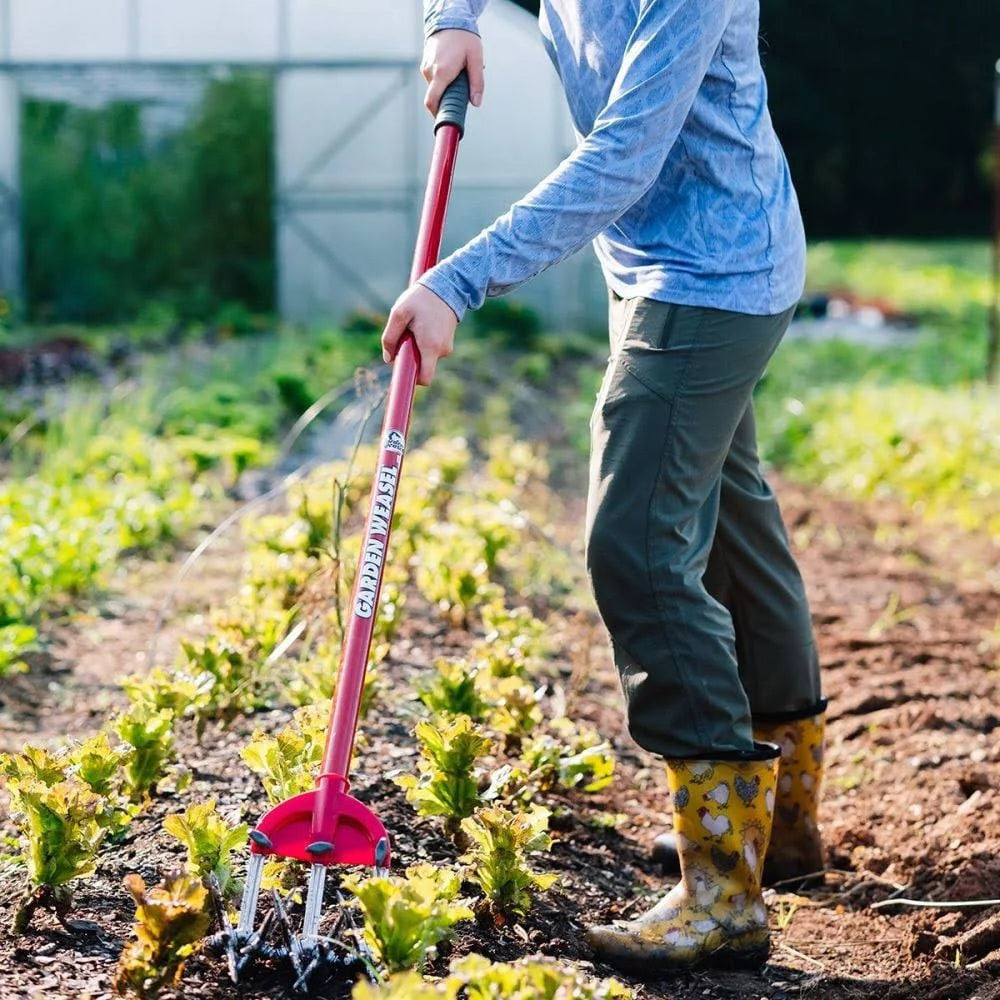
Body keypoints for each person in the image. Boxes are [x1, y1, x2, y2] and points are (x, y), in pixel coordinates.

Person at [381, 0, 827, 973]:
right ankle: (780, 828)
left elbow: (626, 154)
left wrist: (459, 281)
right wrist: (449, 17)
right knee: (732, 521)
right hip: (665, 264)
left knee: (635, 541)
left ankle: (721, 891)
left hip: (713, 270)